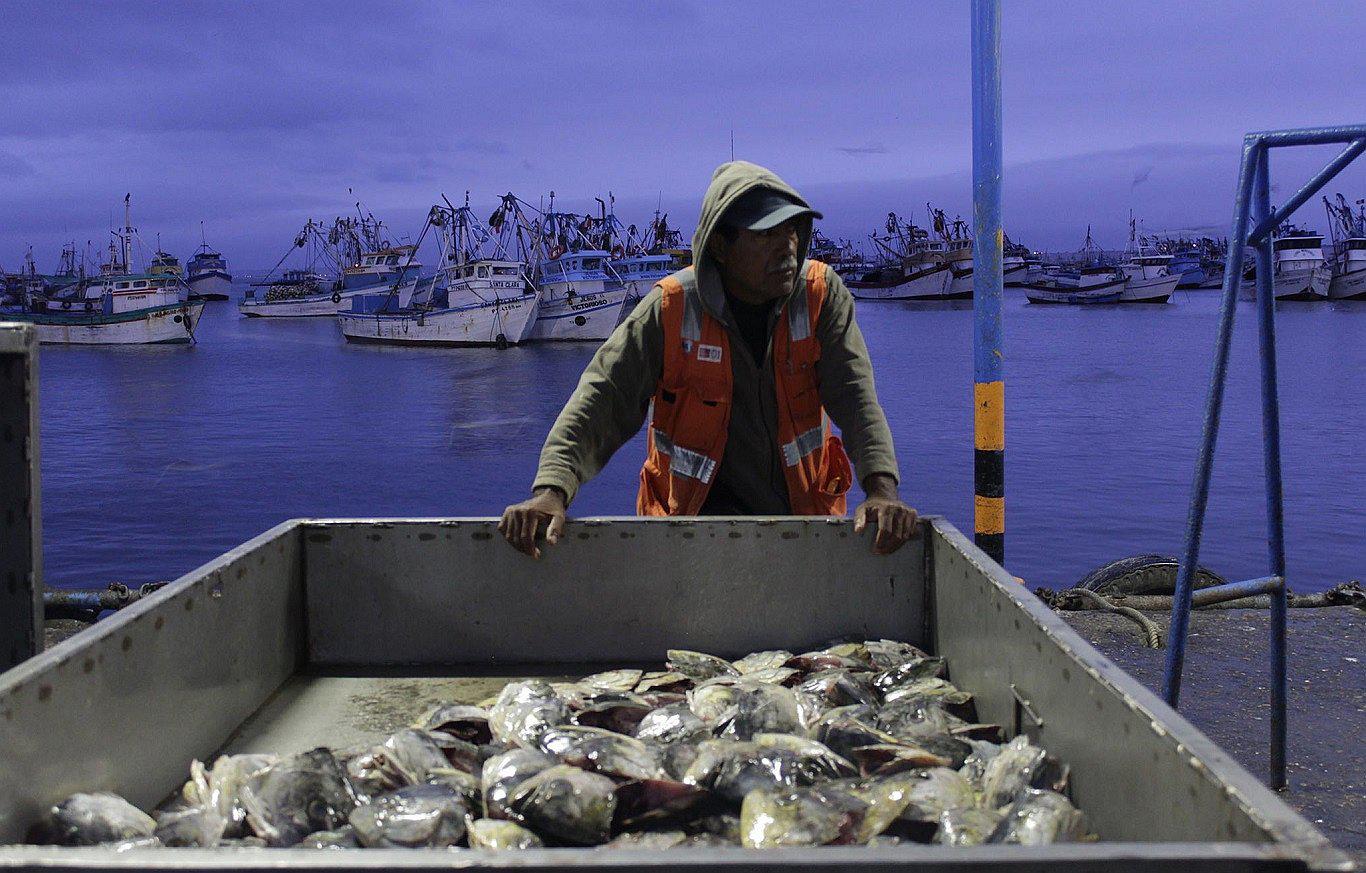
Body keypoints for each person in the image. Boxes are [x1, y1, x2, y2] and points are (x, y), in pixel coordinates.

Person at [500, 160, 917, 557]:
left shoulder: (820, 297)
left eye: (792, 229)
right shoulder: (670, 308)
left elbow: (856, 397)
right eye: (765, 234)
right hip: (687, 534)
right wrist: (550, 493)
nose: (787, 246)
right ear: (720, 244)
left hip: (802, 530)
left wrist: (882, 490)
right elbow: (601, 402)